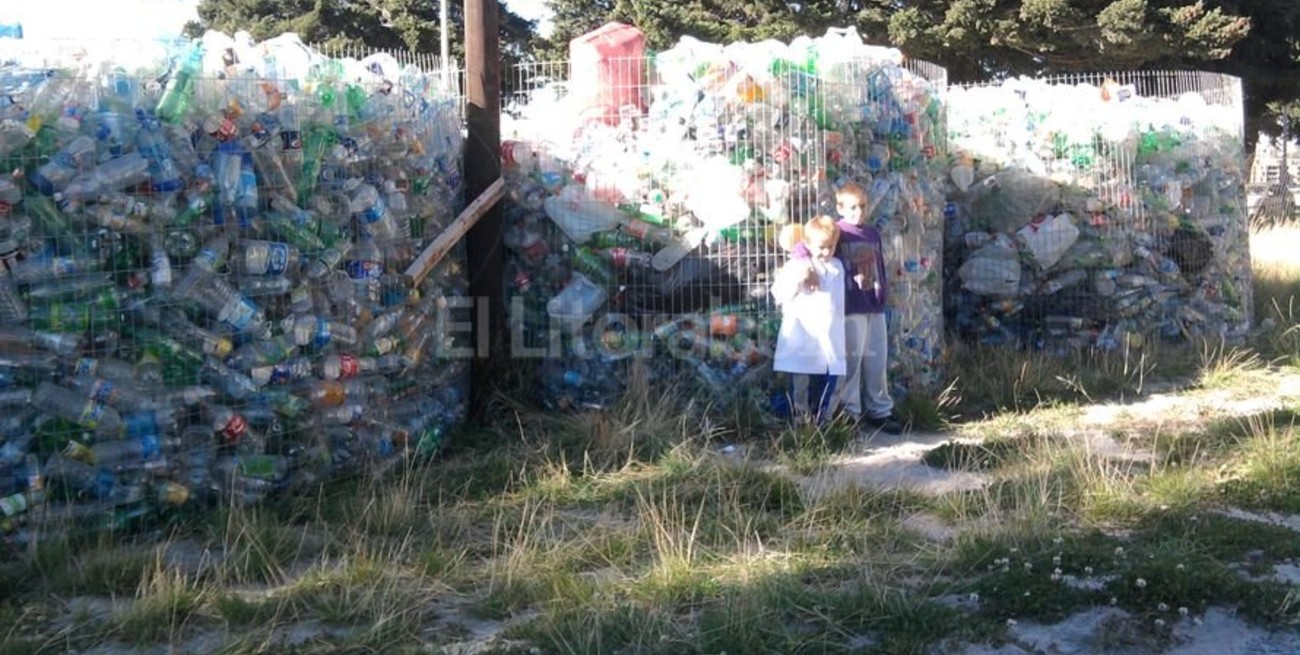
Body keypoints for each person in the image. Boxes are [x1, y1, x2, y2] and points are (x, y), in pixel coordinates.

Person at [830, 182, 902, 434]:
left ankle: (879, 410)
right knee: (852, 361)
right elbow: (809, 247)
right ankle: (849, 412)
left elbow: (878, 266)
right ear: (840, 208)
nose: (858, 212)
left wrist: (882, 294)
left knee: (877, 360)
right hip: (851, 306)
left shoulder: (872, 234)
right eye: (852, 207)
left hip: (874, 304)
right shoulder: (837, 232)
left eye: (862, 206)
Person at [771, 216, 846, 422]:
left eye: (831, 247)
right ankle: (801, 421)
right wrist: (800, 277)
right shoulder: (797, 266)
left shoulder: (837, 266)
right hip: (802, 336)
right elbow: (779, 294)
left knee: (833, 378)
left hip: (830, 335)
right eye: (821, 247)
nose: (826, 252)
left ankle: (824, 421)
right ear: (808, 244)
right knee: (800, 381)